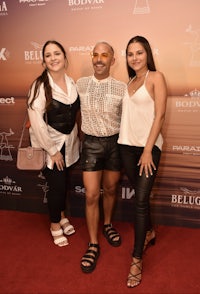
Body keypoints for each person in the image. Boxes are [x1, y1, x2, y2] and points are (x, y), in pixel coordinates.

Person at [118, 36, 167, 287]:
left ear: (147, 53)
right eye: (130, 53)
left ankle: (136, 258)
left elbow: (159, 116)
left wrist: (148, 150)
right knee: (140, 195)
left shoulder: (156, 78)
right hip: (125, 148)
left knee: (139, 201)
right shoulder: (129, 82)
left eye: (139, 52)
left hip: (148, 150)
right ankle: (149, 232)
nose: (134, 57)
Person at [76, 41, 128, 273]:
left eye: (104, 55)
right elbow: (62, 103)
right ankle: (93, 243)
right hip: (92, 144)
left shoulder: (122, 87)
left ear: (112, 60)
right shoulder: (80, 84)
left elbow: (131, 118)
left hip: (116, 144)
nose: (99, 59)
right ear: (91, 57)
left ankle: (107, 224)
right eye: (95, 54)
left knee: (111, 189)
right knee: (91, 195)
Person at [28, 40, 80, 247]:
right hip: (51, 146)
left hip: (70, 144)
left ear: (65, 58)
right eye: (48, 55)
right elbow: (36, 122)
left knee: (63, 184)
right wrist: (52, 151)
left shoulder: (72, 82)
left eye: (57, 53)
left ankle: (62, 215)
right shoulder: (39, 86)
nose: (53, 58)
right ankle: (55, 225)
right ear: (43, 61)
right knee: (57, 187)